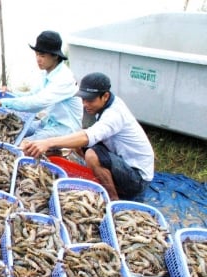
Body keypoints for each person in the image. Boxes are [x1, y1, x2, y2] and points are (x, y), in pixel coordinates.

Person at [21, 72, 155, 201]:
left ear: (105, 96)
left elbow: (88, 136)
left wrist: (48, 142)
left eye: (90, 100)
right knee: (77, 142)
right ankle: (97, 174)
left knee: (92, 154)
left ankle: (113, 199)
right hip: (123, 161)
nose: (85, 105)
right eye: (83, 99)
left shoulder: (114, 114)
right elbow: (84, 136)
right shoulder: (106, 104)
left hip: (138, 178)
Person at [0, 30, 83, 140]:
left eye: (42, 55)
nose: (38, 59)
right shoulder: (46, 73)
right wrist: (11, 93)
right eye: (36, 54)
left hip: (65, 129)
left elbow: (37, 103)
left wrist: (2, 102)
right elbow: (33, 94)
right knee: (13, 130)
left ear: (55, 56)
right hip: (47, 122)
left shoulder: (64, 78)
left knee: (25, 145)